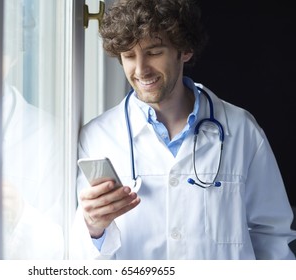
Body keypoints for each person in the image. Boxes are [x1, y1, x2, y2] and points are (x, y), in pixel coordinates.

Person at [69, 0, 296, 259]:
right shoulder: (97, 137)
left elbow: (272, 235)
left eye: (154, 52)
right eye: (129, 56)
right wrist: (94, 228)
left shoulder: (242, 129)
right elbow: (84, 260)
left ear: (184, 50)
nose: (141, 70)